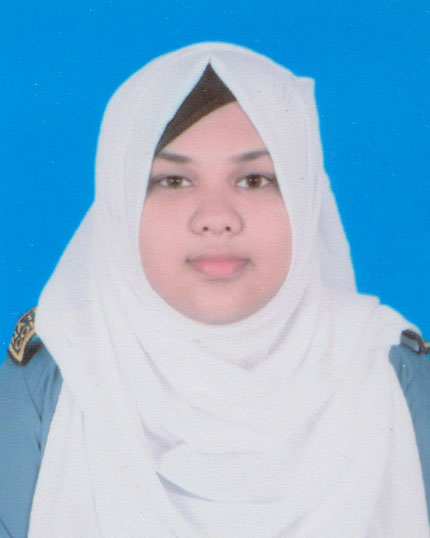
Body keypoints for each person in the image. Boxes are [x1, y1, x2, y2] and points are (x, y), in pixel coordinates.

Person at [1, 42, 429, 537]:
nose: (216, 218)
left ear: (305, 193)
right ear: (120, 201)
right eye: (174, 181)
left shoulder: (393, 374)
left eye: (254, 180)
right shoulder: (52, 382)